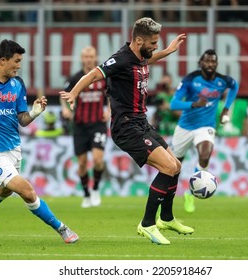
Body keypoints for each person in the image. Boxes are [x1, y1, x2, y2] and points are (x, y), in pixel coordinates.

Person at [60, 17, 192, 245]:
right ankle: (148, 224)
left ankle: (167, 218)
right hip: (126, 127)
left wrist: (169, 51)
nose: (155, 46)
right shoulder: (120, 59)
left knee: (176, 166)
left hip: (141, 122)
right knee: (168, 167)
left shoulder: (141, 57)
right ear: (138, 40)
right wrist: (74, 93)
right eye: (152, 42)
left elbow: (150, 59)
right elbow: (93, 74)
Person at [0, 39, 78, 244]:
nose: (19, 66)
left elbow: (22, 120)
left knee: (4, 189)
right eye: (16, 61)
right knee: (27, 191)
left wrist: (35, 112)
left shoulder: (17, 84)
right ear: (3, 60)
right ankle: (62, 228)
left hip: (14, 149)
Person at [170, 49, 239, 213]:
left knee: (205, 154)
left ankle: (191, 193)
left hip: (206, 126)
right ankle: (167, 197)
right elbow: (174, 104)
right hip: (185, 127)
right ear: (200, 63)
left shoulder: (223, 81)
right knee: (173, 167)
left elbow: (234, 86)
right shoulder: (190, 79)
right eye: (207, 61)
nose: (210, 64)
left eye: (213, 61)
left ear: (216, 64)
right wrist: (192, 104)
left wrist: (226, 109)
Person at [61, 46, 110, 208]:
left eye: (91, 56)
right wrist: (65, 109)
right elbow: (64, 95)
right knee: (82, 163)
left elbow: (112, 94)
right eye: (86, 57)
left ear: (95, 58)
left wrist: (109, 110)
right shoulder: (76, 78)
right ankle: (86, 194)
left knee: (98, 159)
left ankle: (95, 189)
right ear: (82, 59)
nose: (89, 59)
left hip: (98, 124)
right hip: (80, 125)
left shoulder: (102, 77)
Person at [151, 72, 181, 137]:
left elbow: (182, 115)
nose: (165, 86)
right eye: (163, 84)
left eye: (167, 83)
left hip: (174, 132)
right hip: (162, 133)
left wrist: (168, 107)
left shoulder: (177, 96)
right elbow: (156, 113)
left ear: (171, 82)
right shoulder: (160, 96)